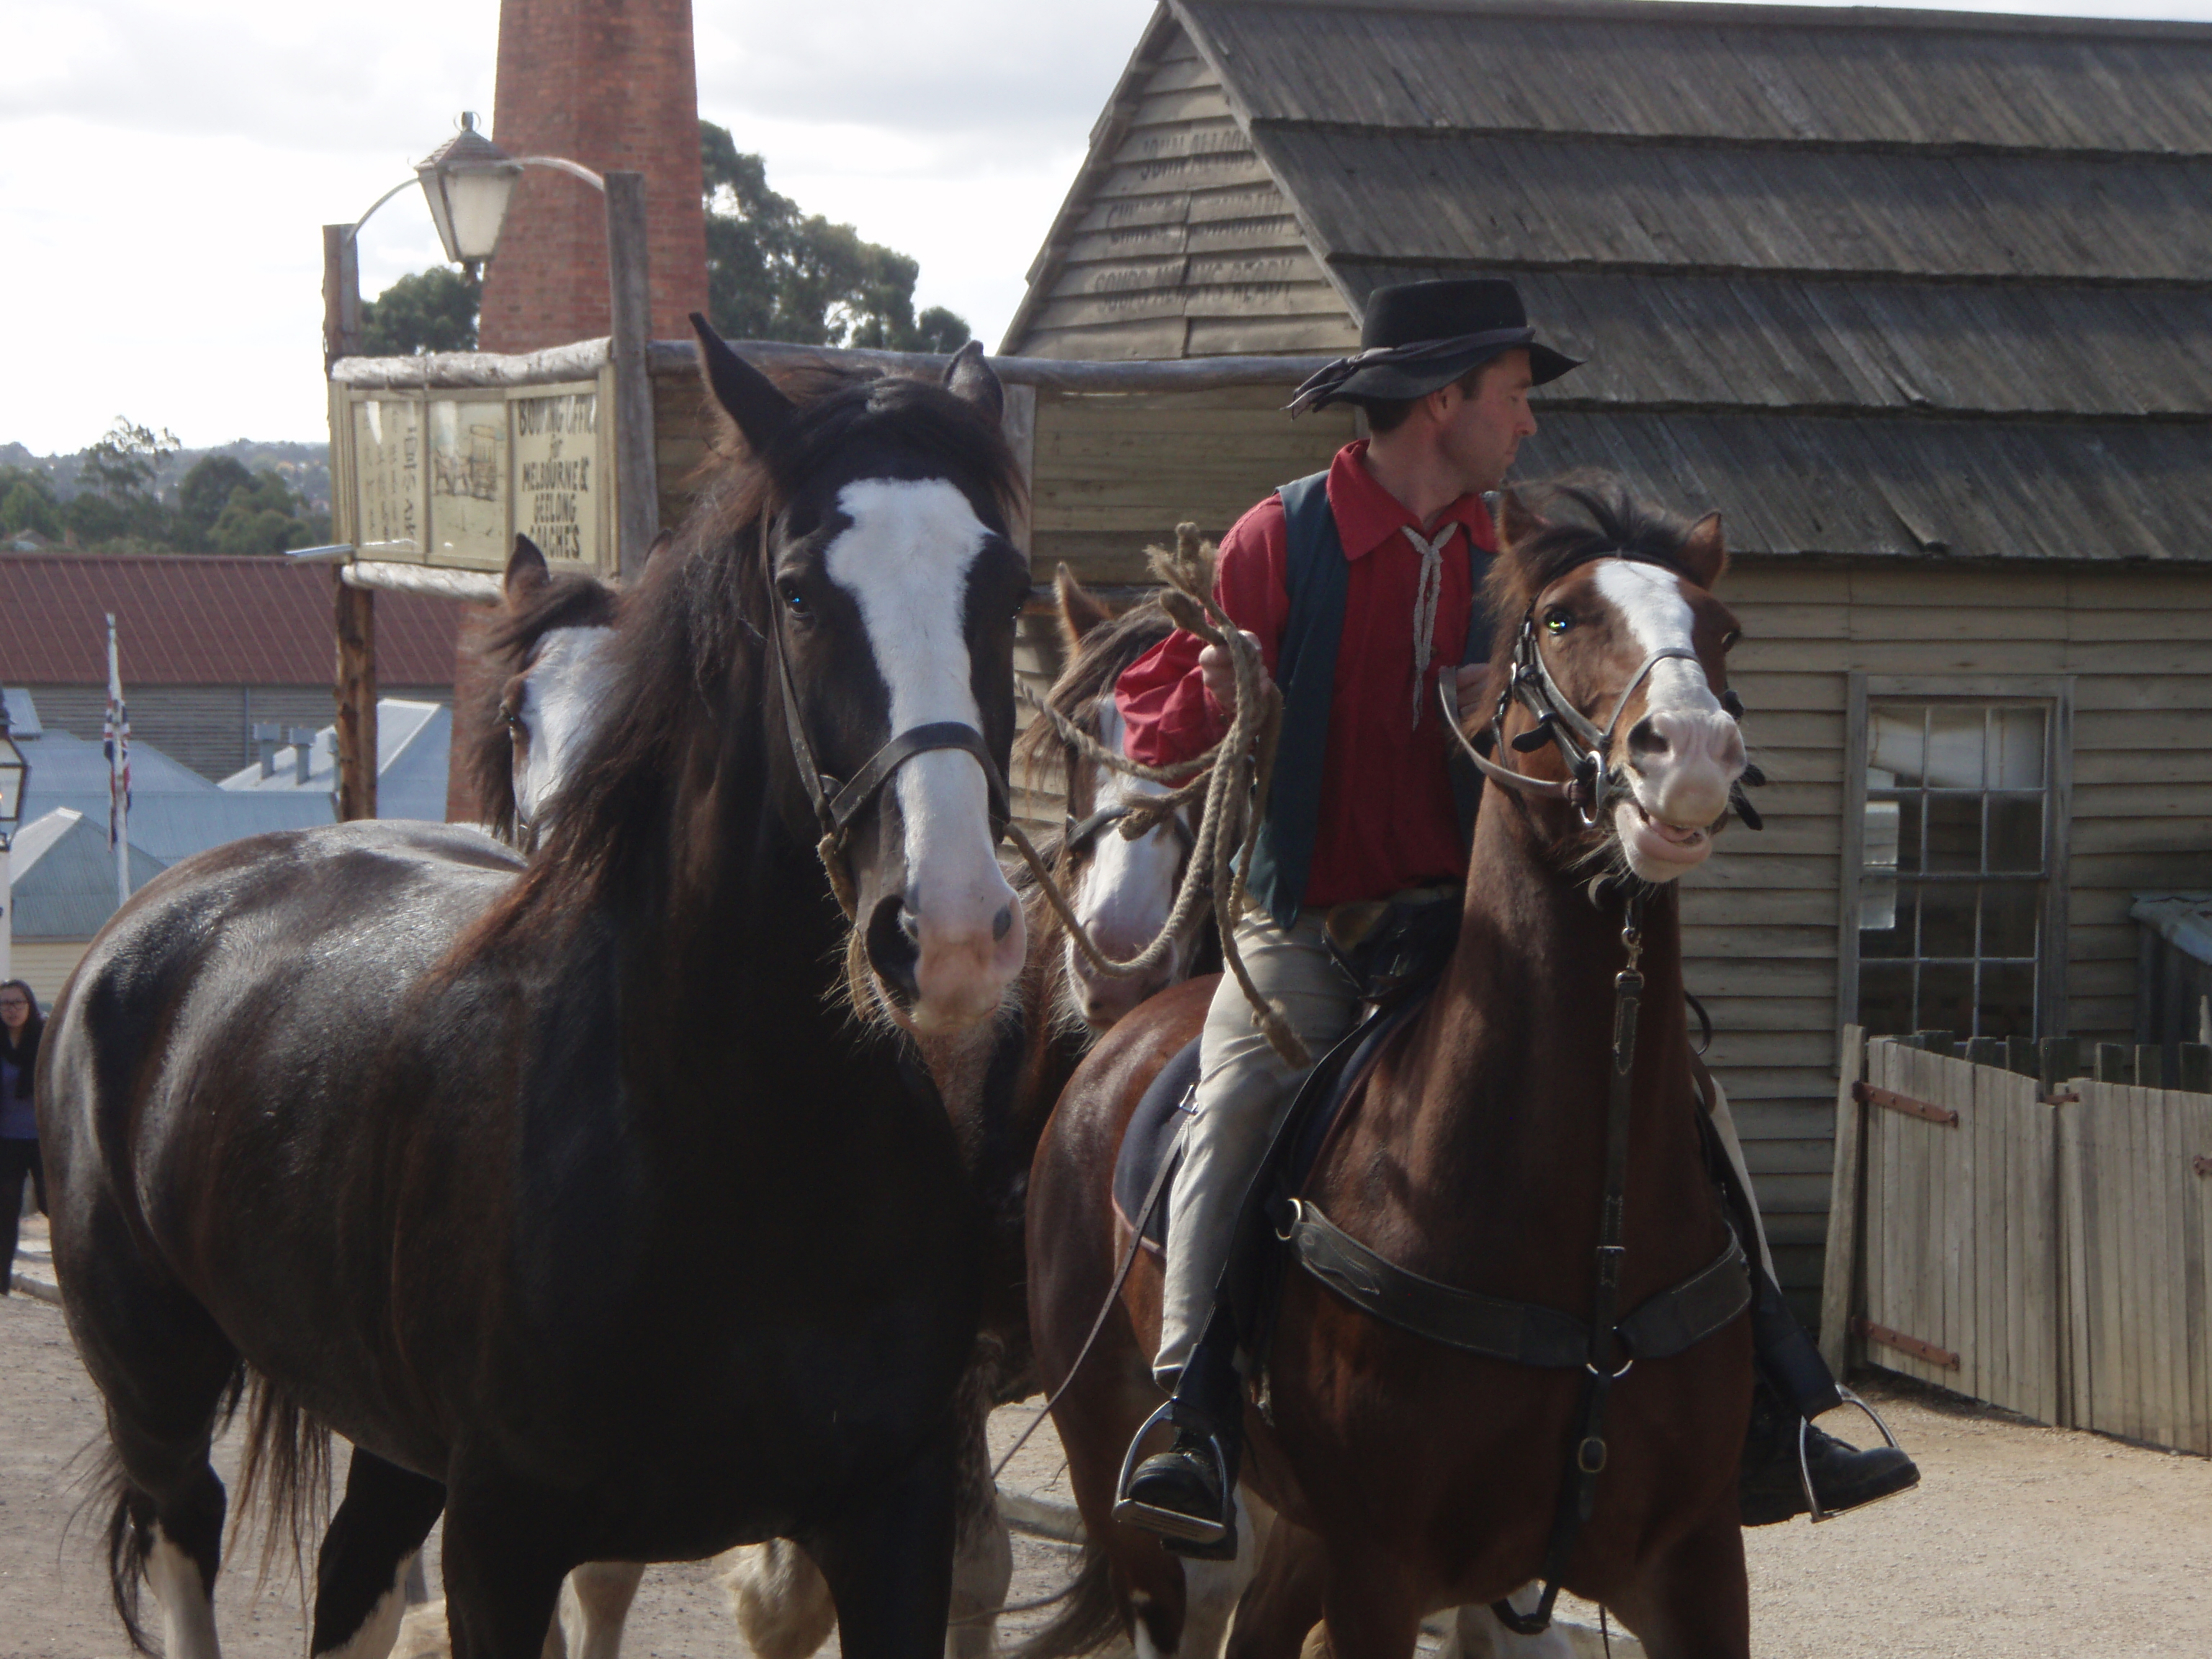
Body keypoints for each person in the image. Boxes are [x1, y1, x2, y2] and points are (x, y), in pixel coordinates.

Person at [1109, 277, 1917, 1553]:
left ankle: (1781, 1392)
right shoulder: (1275, 541)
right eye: (1513, 396)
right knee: (1240, 1093)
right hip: (1310, 927)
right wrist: (1212, 694)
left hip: (1479, 929)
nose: (1527, 425)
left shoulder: (1523, 561)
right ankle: (1192, 1411)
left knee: (1682, 1096)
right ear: (1444, 402)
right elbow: (1152, 730)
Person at [1, 979, 47, 1295]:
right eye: (5, 1004)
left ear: (30, 1005)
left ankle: (75, 1278)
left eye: (18, 1002)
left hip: (43, 1141)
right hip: (7, 1141)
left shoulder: (45, 1038)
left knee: (52, 1207)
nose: (12, 1009)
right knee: (5, 1211)